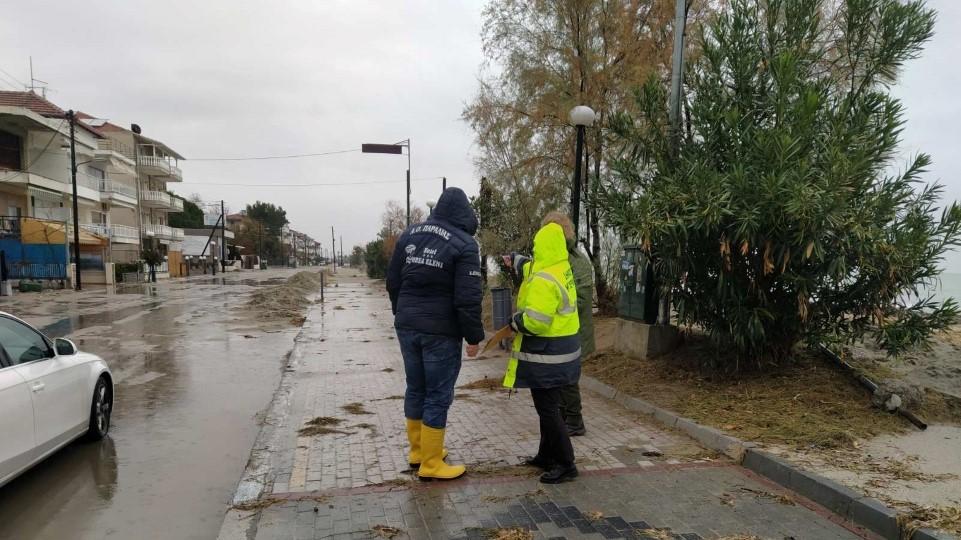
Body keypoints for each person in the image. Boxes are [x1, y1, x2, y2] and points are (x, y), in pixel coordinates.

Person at [387, 187, 484, 481]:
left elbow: (393, 282)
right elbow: (467, 299)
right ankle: (431, 464)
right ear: (465, 214)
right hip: (441, 333)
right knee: (438, 394)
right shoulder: (465, 245)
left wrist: (402, 313)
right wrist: (473, 337)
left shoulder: (409, 234)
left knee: (416, 387)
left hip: (407, 326)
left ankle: (419, 452)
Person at [502, 222, 581, 484]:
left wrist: (515, 322)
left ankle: (566, 463)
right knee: (550, 407)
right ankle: (546, 455)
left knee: (547, 409)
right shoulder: (560, 267)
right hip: (563, 352)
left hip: (548, 355)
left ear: (542, 247)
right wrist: (515, 260)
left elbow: (536, 322)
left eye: (535, 246)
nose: (534, 251)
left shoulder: (544, 281)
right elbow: (530, 266)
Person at [540, 211, 594, 436]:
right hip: (563, 331)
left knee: (568, 379)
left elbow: (580, 300)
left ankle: (574, 420)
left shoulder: (575, 261)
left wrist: (551, 306)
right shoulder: (558, 257)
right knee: (561, 378)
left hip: (573, 332)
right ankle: (563, 416)